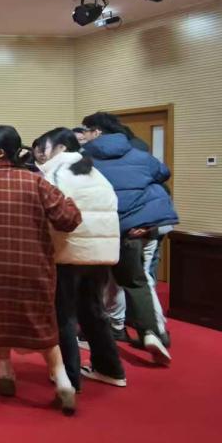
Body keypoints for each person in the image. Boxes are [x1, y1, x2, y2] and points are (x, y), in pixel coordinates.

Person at [0, 125, 83, 415]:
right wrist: (71, 201)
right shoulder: (36, 182)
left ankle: (5, 371)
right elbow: (68, 220)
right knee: (41, 321)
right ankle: (63, 381)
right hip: (32, 264)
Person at [81, 115, 178, 365]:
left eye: (86, 130)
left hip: (100, 231)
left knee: (94, 286)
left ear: (97, 132)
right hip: (132, 230)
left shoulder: (85, 159)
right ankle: (150, 332)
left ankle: (98, 337)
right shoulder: (140, 155)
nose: (84, 135)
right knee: (136, 282)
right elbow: (163, 174)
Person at [33, 128, 126, 390]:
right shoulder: (95, 173)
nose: (41, 154)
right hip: (101, 255)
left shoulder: (55, 174)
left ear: (61, 147)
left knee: (63, 317)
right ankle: (111, 369)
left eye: (45, 147)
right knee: (94, 312)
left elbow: (52, 214)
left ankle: (69, 377)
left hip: (69, 254)